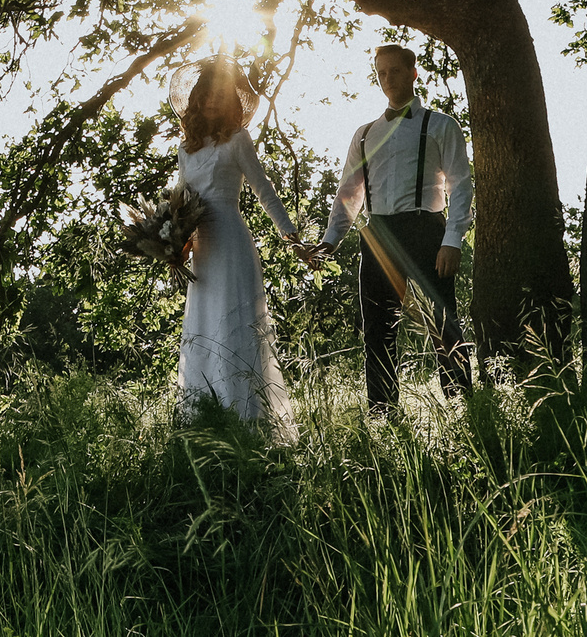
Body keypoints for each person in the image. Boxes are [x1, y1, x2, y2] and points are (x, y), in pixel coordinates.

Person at [306, 41, 472, 408]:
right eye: (381, 73)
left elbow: (461, 184)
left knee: (444, 326)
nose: (388, 78)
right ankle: (383, 414)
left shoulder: (441, 125)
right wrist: (330, 240)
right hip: (378, 235)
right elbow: (349, 192)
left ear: (413, 73)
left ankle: (462, 408)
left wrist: (453, 240)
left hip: (427, 231)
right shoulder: (364, 133)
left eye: (395, 71)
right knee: (377, 331)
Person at [170, 52, 304, 439]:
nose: (212, 100)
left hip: (230, 239)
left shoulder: (238, 140)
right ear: (196, 99)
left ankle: (247, 425)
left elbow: (265, 191)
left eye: (220, 94)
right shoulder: (186, 150)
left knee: (235, 325)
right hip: (201, 249)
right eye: (206, 94)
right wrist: (176, 243)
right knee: (204, 326)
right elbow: (182, 202)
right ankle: (206, 424)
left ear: (230, 100)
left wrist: (291, 236)